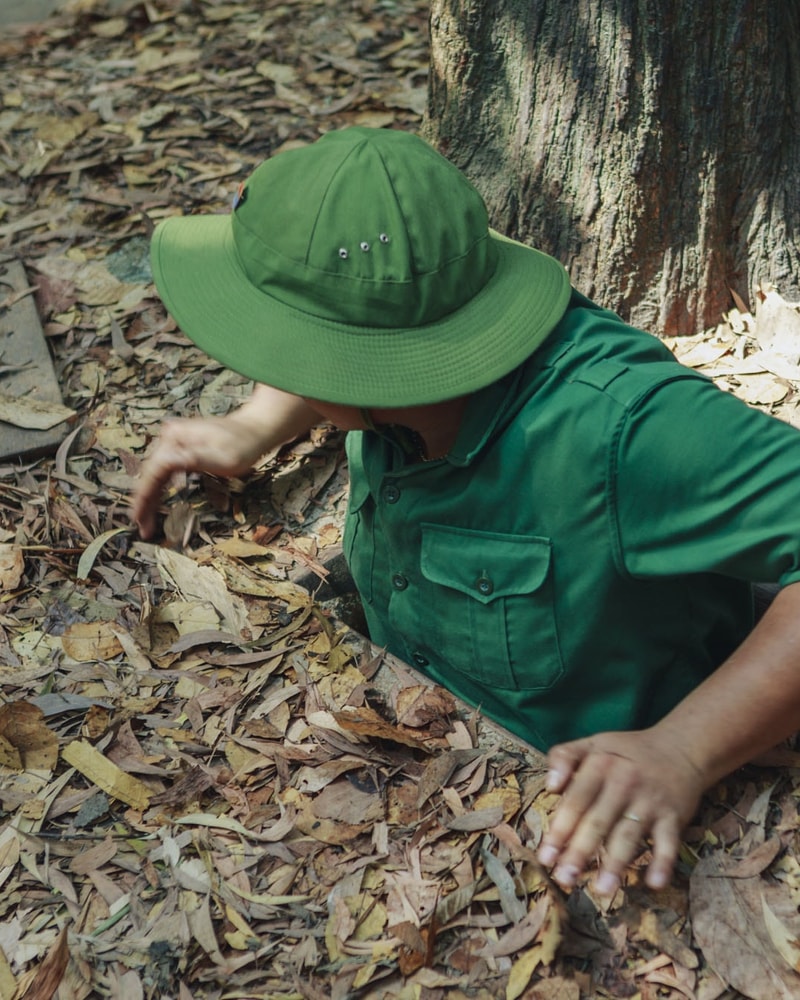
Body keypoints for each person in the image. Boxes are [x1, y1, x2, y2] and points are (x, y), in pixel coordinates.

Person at [133, 125, 800, 900]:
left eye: (281, 348)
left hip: (573, 803)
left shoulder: (620, 430)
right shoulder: (414, 342)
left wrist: (685, 748)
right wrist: (255, 425)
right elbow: (351, 330)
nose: (265, 361)